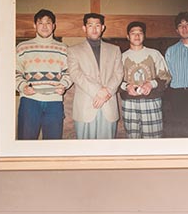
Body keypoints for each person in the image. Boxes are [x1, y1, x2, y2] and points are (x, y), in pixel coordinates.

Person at [15, 9, 72, 140]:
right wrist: (23, 86)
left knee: (52, 145)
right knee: (26, 143)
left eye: (48, 23)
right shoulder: (22, 47)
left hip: (54, 102)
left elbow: (69, 72)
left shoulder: (64, 48)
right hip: (29, 101)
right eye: (41, 23)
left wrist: (63, 85)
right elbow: (15, 71)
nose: (45, 26)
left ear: (54, 25)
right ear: (34, 25)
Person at [67, 13, 123, 139]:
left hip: (108, 105)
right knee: (85, 151)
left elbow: (118, 74)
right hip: (85, 107)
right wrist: (99, 91)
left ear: (102, 27)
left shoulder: (115, 49)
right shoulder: (73, 50)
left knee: (106, 150)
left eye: (97, 25)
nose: (94, 29)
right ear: (84, 28)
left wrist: (107, 91)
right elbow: (76, 74)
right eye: (90, 25)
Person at [120, 21, 171, 138]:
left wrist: (151, 84)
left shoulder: (154, 54)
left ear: (144, 35)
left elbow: (166, 77)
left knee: (153, 139)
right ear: (128, 36)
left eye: (140, 33)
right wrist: (126, 86)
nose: (137, 36)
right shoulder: (121, 57)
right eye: (133, 33)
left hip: (151, 101)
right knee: (132, 138)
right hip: (129, 103)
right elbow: (115, 80)